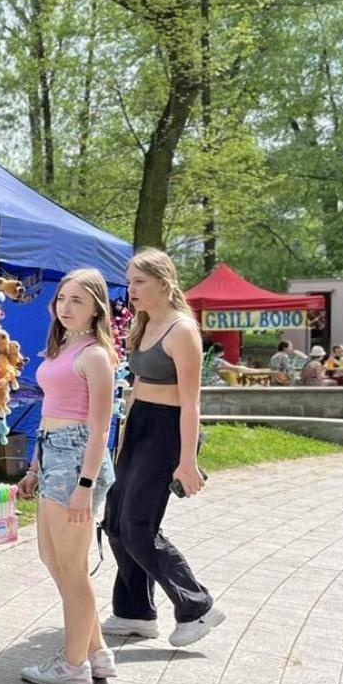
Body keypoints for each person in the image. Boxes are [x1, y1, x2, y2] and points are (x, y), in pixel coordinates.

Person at [100, 249, 225, 647]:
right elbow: (137, 388)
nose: (131, 288)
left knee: (138, 527)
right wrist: (122, 441)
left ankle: (197, 607)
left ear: (164, 283)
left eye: (139, 281)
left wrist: (187, 462)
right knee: (115, 522)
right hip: (139, 428)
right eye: (129, 280)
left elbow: (192, 403)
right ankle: (135, 612)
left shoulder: (182, 329)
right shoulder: (144, 323)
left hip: (168, 431)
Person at [14, 268, 118, 684]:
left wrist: (85, 487)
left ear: (97, 307)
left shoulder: (94, 355)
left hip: (77, 461)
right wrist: (35, 467)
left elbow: (99, 429)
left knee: (72, 569)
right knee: (52, 558)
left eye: (77, 300)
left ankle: (74, 665)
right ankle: (96, 652)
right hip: (53, 453)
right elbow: (50, 412)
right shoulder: (62, 349)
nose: (66, 307)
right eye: (62, 299)